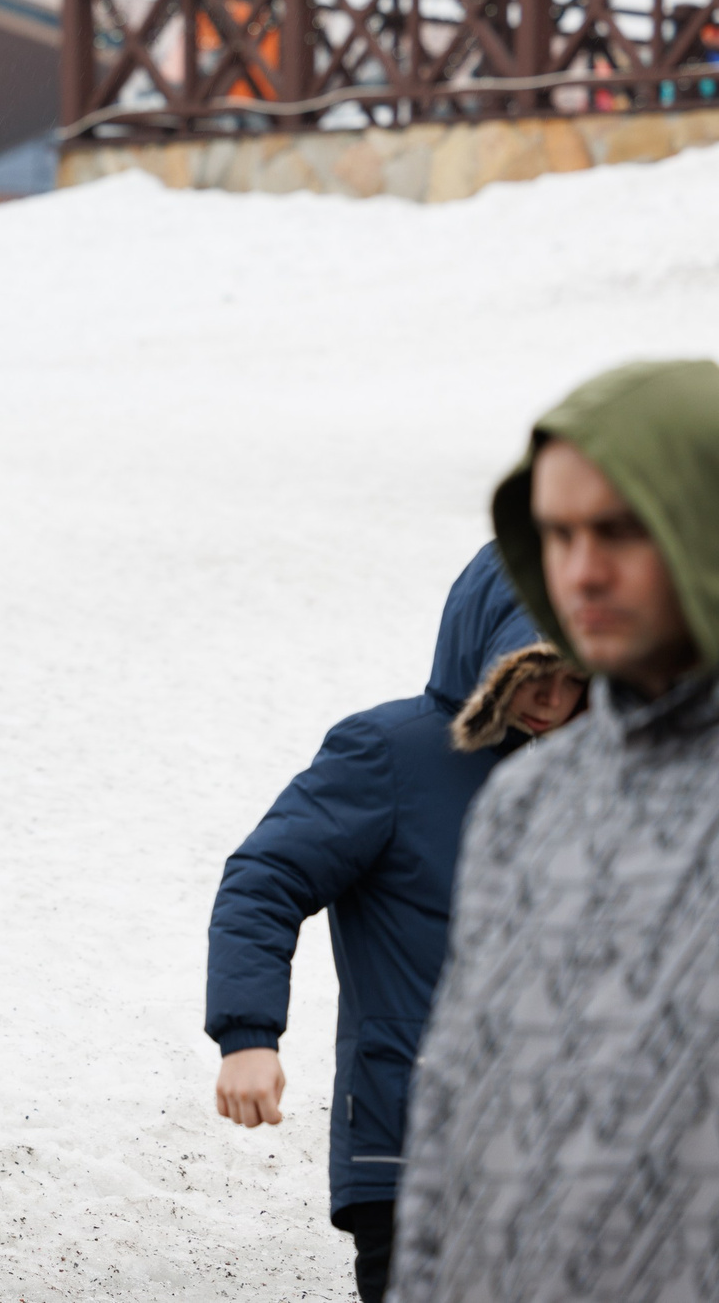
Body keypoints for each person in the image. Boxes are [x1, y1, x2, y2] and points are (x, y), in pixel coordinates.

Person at [390, 360, 719, 1303]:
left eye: (618, 530)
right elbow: (456, 1115)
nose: (581, 570)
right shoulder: (527, 806)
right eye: (558, 534)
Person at [205, 546, 585, 1303]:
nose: (552, 697)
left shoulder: (610, 775)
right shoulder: (390, 755)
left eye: (576, 676)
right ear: (488, 653)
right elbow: (264, 879)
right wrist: (248, 1035)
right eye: (531, 671)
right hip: (413, 1148)